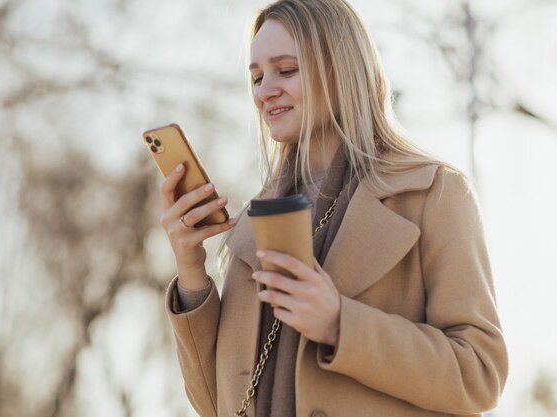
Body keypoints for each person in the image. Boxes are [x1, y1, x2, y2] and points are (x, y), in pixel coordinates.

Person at [159, 0, 508, 416]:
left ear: (341, 69)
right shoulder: (254, 227)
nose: (264, 91)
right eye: (256, 77)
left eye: (286, 70)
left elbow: (480, 375)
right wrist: (191, 270)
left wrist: (341, 324)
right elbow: (215, 404)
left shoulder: (433, 195)